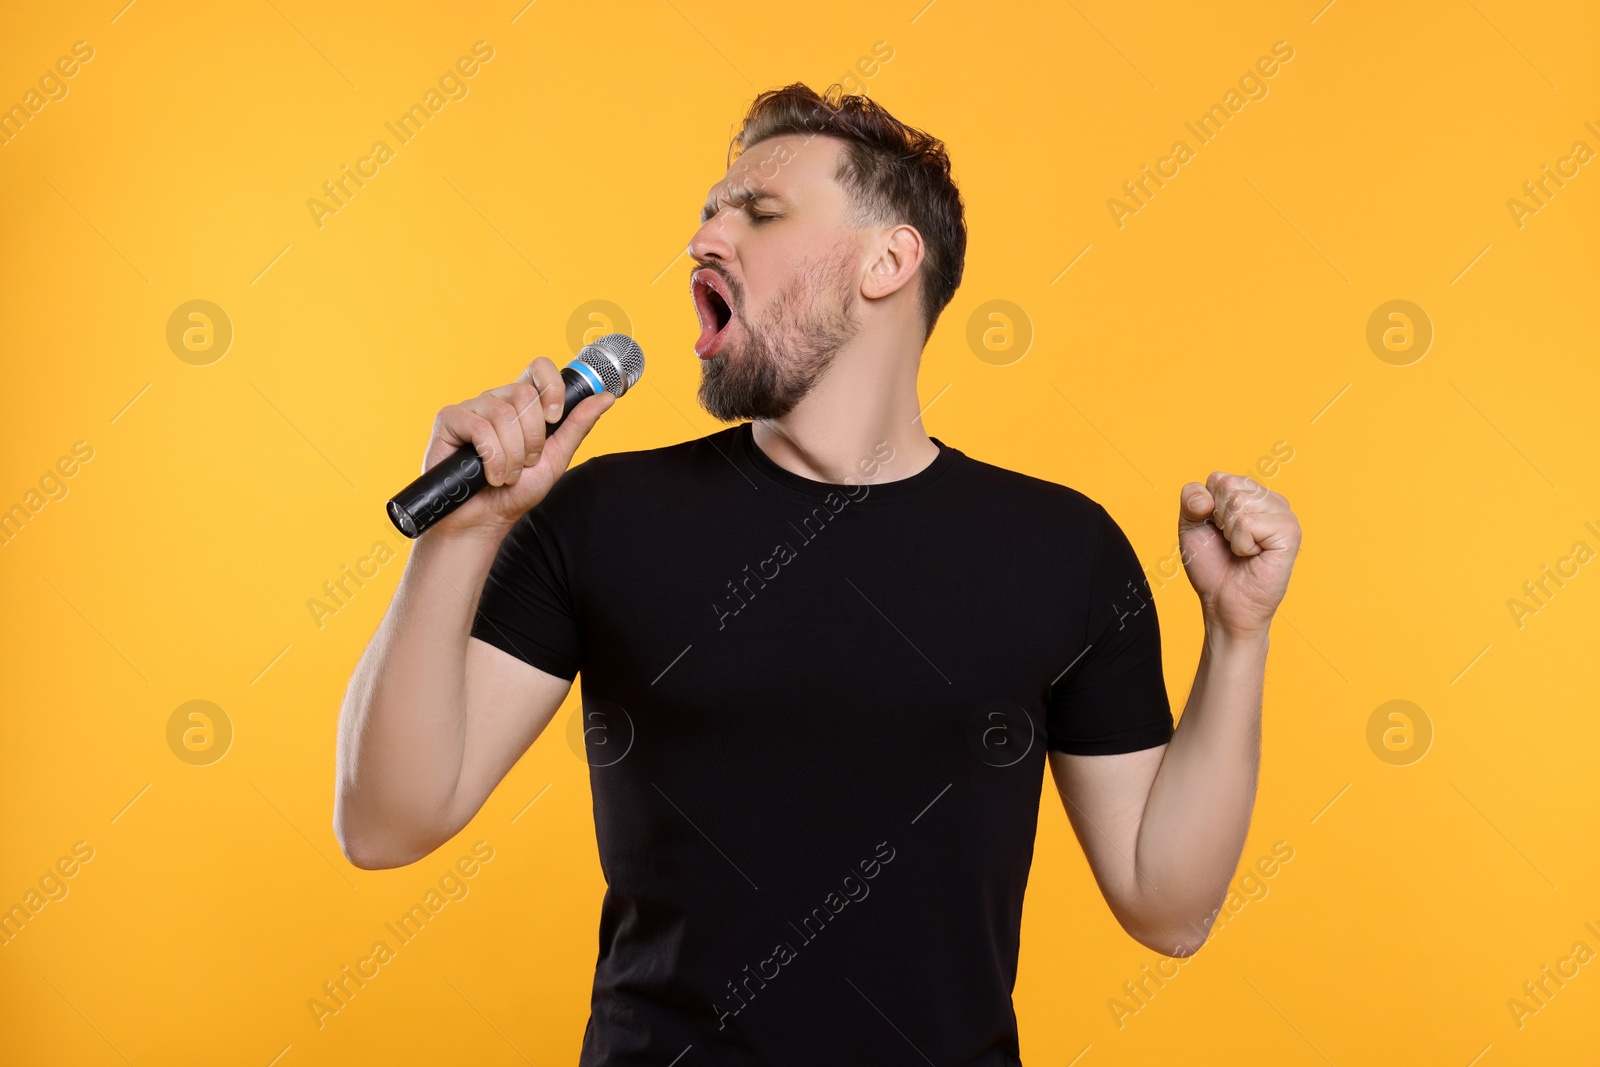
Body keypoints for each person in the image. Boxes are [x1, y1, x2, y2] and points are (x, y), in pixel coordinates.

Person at [334, 82, 1302, 1065]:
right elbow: (385, 822)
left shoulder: (1062, 545)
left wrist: (1237, 634)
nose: (705, 240)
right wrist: (458, 537)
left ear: (888, 260)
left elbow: (1167, 906)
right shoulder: (599, 517)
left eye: (756, 212)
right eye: (709, 213)